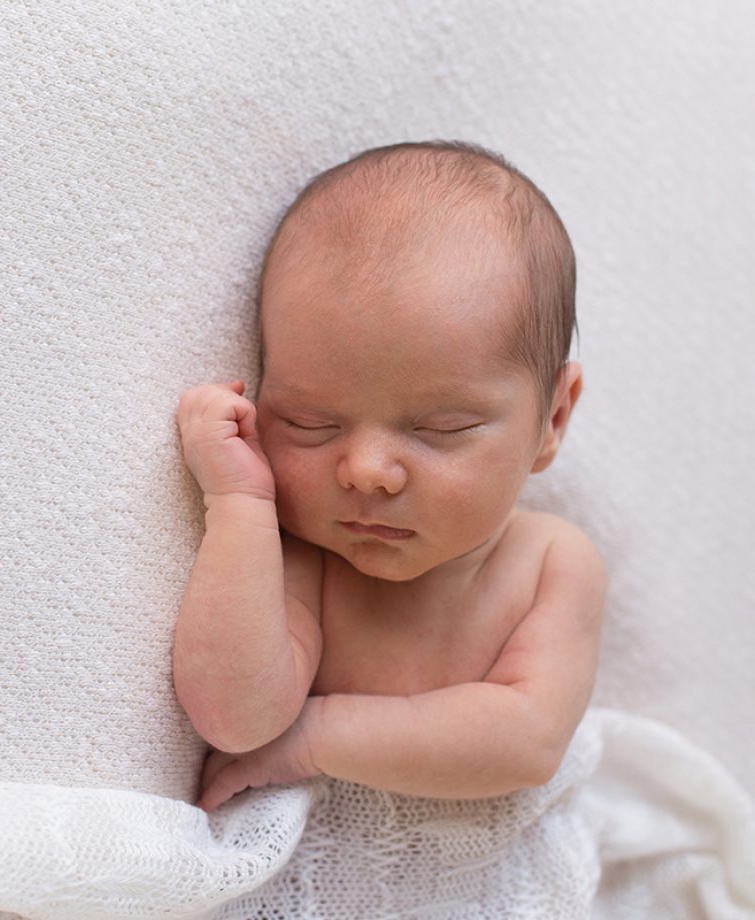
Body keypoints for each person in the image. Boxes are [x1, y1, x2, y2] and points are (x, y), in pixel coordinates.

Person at [173, 141, 606, 812]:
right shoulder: (309, 560)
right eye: (311, 422)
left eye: (441, 429)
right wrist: (238, 504)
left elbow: (528, 741)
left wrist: (315, 737)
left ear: (551, 418)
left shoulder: (550, 564)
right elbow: (233, 719)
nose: (366, 472)